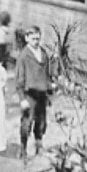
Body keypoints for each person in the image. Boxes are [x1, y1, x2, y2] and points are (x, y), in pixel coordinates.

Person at [15, 25, 56, 159]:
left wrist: (50, 87)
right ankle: (23, 149)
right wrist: (22, 99)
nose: (36, 41)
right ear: (27, 38)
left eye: (38, 38)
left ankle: (39, 147)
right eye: (33, 39)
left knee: (41, 122)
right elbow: (19, 79)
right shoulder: (24, 56)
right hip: (30, 94)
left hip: (42, 94)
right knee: (27, 122)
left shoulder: (43, 53)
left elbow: (47, 73)